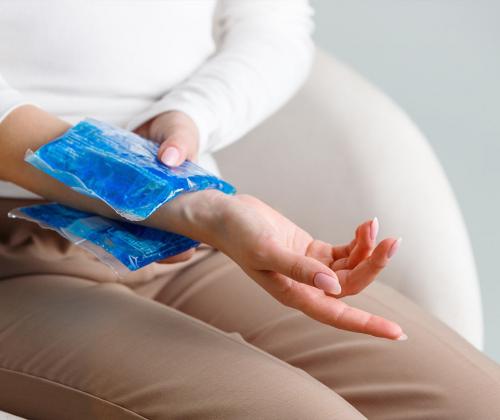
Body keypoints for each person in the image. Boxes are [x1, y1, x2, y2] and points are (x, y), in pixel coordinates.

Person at [0, 1, 499, 419]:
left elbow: (274, 22)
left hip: (193, 240)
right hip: (18, 259)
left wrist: (191, 115)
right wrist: (174, 199)